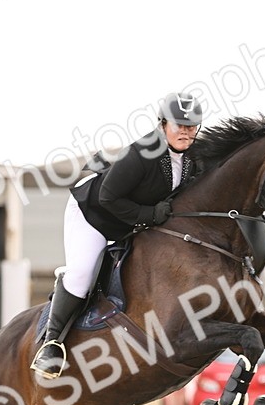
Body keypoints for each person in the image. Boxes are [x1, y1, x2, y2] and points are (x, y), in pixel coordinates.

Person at [31, 91, 205, 379]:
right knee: (83, 273)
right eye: (179, 126)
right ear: (163, 124)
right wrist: (150, 215)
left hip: (128, 220)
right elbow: (109, 197)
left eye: (191, 127)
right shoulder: (141, 153)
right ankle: (52, 345)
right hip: (93, 213)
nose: (186, 133)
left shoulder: (192, 157)